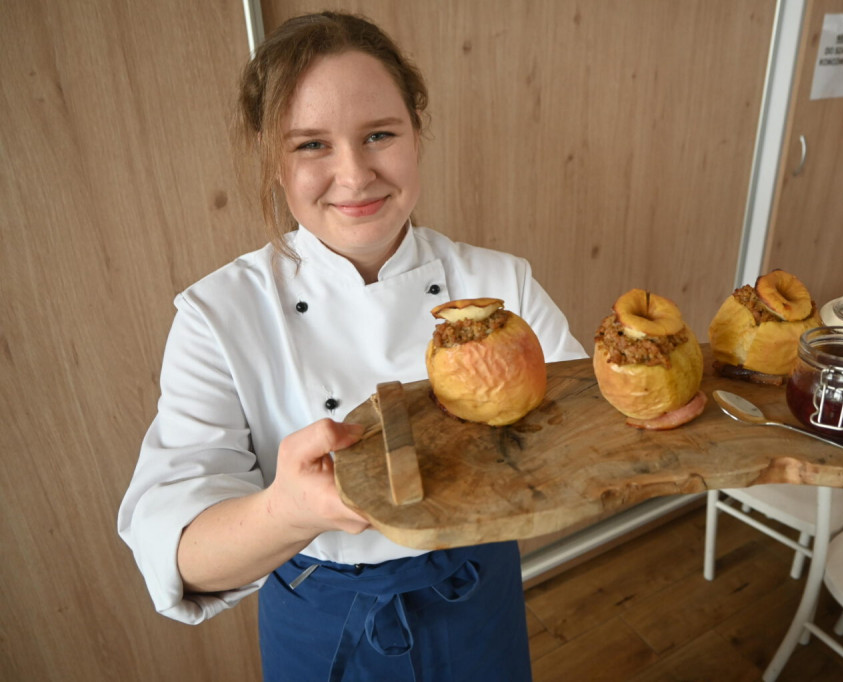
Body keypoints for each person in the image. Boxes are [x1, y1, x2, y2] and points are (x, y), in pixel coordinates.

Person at [117, 11, 586, 682]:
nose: (356, 174)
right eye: (312, 144)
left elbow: (581, 435)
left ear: (416, 132)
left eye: (379, 135)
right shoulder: (218, 317)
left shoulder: (499, 285)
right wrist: (286, 511)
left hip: (477, 591)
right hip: (321, 613)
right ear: (272, 158)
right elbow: (180, 553)